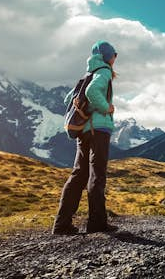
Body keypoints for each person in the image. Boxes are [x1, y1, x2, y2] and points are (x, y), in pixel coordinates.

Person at [52, 40, 118, 235]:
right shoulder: (104, 71)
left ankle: (61, 224)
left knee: (79, 174)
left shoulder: (87, 74)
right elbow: (91, 92)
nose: (115, 57)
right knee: (97, 174)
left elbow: (68, 99)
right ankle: (97, 223)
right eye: (115, 54)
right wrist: (106, 108)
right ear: (107, 56)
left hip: (83, 130)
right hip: (98, 129)